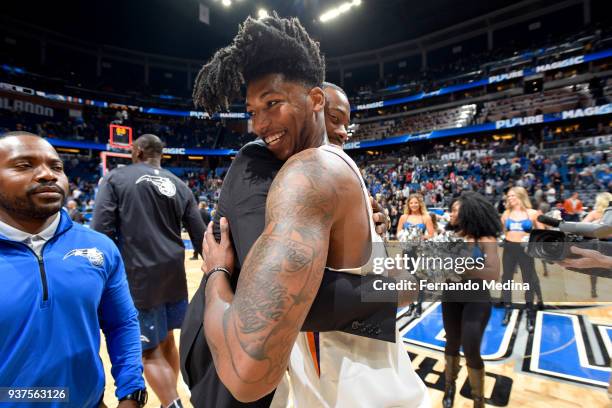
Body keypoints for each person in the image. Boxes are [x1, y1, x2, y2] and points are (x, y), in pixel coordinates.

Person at [192, 13, 427, 407]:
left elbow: (253, 352)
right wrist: (397, 286)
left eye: (272, 104)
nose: (259, 125)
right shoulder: (275, 164)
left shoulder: (317, 170)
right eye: (254, 110)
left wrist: (216, 272)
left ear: (313, 100)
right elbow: (283, 301)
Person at [181, 85, 399, 408]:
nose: (343, 132)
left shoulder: (327, 171)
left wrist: (369, 233)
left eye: (346, 124)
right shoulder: (257, 160)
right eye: (334, 118)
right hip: (223, 348)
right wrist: (398, 287)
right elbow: (279, 298)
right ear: (309, 107)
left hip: (287, 357)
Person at [0, 131, 147, 408]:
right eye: (24, 165)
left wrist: (131, 394)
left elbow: (122, 323)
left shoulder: (100, 248)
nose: (47, 175)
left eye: (56, 167)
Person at [91, 134, 205, 408]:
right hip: (174, 276)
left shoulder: (116, 178)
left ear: (138, 151)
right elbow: (200, 236)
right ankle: (172, 395)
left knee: (146, 349)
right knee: (166, 340)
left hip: (139, 275)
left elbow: (100, 232)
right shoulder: (180, 185)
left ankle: (172, 403)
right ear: (160, 154)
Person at [442, 192, 502, 408]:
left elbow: (494, 272)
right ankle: (449, 387)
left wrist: (464, 267)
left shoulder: (486, 239)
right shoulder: (449, 237)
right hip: (450, 296)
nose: (451, 213)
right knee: (451, 342)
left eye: (455, 210)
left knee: (471, 346)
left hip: (476, 298)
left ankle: (478, 399)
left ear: (468, 213)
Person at [500, 186, 545, 333]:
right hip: (509, 248)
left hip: (525, 250)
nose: (509, 198)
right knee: (506, 279)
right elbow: (504, 231)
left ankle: (530, 311)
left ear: (520, 196)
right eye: (508, 196)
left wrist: (532, 238)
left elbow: (542, 232)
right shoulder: (506, 214)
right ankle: (507, 308)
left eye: (512, 196)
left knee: (528, 280)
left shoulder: (532, 213)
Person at [579, 192, 612, 297]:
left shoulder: (594, 213)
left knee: (595, 266)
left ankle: (593, 290)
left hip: (600, 243)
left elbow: (582, 226)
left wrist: (596, 224)